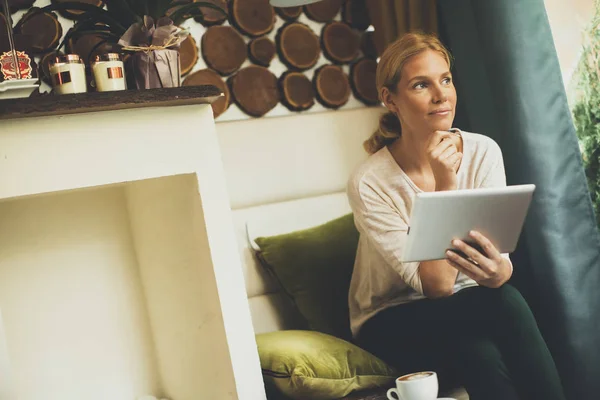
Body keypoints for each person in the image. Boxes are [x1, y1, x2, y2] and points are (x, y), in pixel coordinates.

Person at [347, 32, 566, 400]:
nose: (441, 95)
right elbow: (437, 286)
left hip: (470, 305)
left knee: (477, 347)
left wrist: (500, 271)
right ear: (390, 99)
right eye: (421, 84)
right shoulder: (371, 182)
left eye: (445, 79)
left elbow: (498, 264)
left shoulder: (483, 152)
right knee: (505, 304)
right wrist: (444, 183)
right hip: (390, 319)